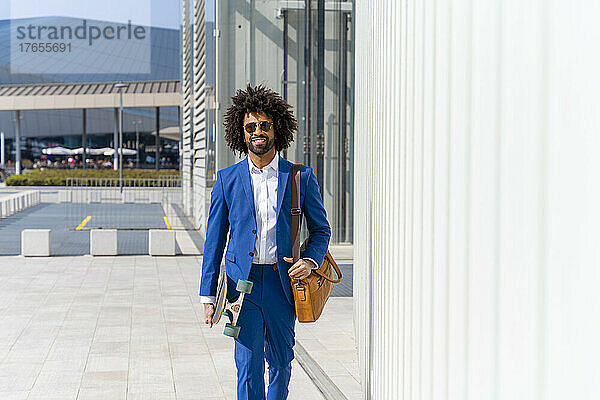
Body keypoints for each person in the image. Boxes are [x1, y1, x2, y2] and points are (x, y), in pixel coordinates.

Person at [199, 84, 331, 400]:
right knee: (247, 365)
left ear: (276, 129)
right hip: (238, 285)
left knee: (282, 362)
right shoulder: (227, 180)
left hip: (281, 284)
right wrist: (207, 293)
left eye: (264, 125)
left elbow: (321, 230)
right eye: (251, 127)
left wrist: (310, 260)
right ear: (241, 134)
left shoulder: (301, 177)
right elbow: (214, 241)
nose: (258, 132)